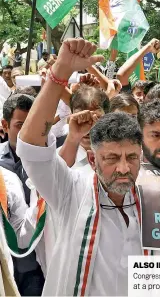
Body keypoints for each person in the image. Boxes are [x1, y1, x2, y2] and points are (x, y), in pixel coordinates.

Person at [17, 38, 143, 296]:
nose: (123, 168)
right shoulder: (72, 189)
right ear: (94, 160)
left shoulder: (153, 196)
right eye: (111, 158)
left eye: (131, 157)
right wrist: (60, 71)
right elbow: (31, 146)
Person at [0, 93, 45, 295]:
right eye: (20, 125)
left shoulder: (49, 160)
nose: (26, 132)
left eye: (31, 124)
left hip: (38, 264)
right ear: (5, 124)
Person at [58, 85, 110, 173]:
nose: (87, 127)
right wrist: (74, 137)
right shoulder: (57, 157)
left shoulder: (120, 153)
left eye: (95, 118)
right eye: (80, 118)